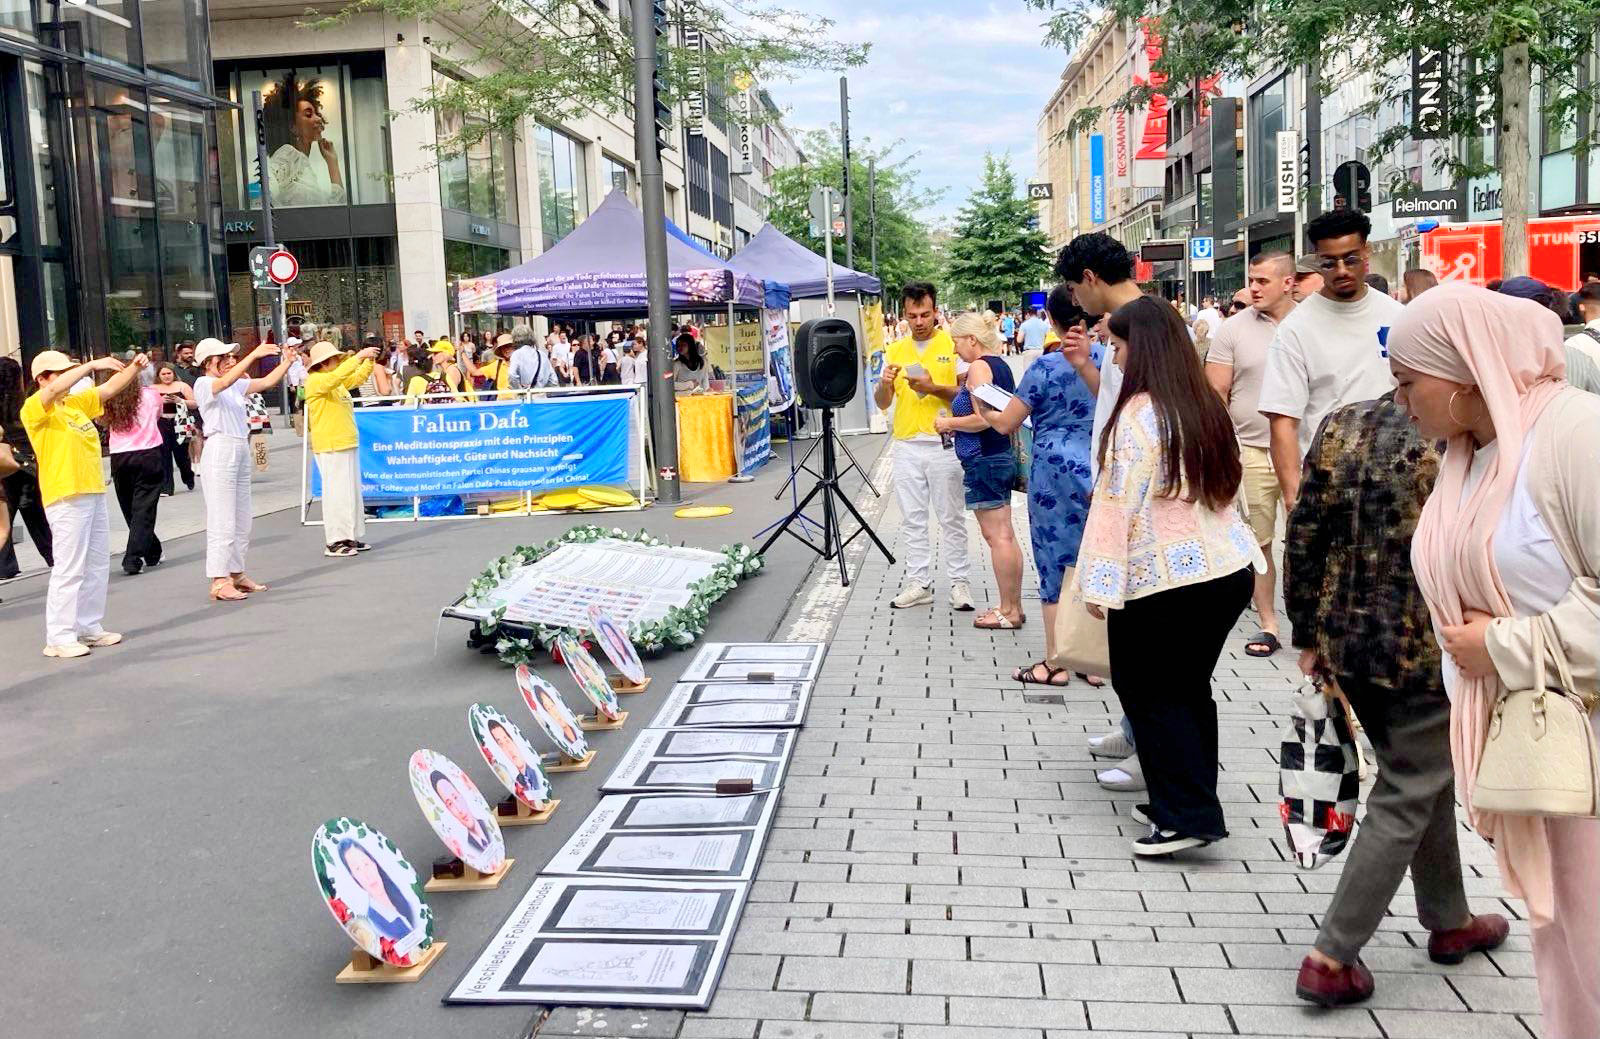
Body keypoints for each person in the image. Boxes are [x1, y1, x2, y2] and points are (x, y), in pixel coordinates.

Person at [1388, 283, 1600, 1038]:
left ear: (1467, 371)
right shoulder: (1469, 454)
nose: (1399, 400)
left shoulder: (1575, 436)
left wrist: (1503, 646)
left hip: (1583, 739)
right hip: (1537, 742)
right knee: (1564, 936)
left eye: (1409, 380)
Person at [1286, 388, 1509, 1007]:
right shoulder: (1471, 433)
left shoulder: (1345, 421)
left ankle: (1450, 918)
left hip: (1349, 639)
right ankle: (1331, 957)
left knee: (1420, 772)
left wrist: (1307, 630)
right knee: (1410, 784)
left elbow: (1305, 530)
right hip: (1429, 647)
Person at [1077, 296, 1257, 856]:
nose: (1113, 356)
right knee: (1186, 690)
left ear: (1143, 349)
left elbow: (1115, 505)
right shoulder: (1203, 403)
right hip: (1225, 569)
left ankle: (1186, 816)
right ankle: (1182, 801)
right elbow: (1231, 485)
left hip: (1165, 579)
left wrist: (1098, 584)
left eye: (1116, 346)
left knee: (1153, 692)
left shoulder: (1137, 416)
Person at [1049, 232, 1145, 783]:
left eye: (1072, 287)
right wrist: (1087, 362)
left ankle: (1149, 750)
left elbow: (1152, 419)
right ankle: (1134, 731)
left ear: (1089, 278)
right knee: (1124, 630)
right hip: (1117, 489)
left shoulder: (1146, 325)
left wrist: (1120, 493)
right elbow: (1113, 400)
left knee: (1140, 636)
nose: (1073, 300)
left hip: (1139, 504)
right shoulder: (1119, 327)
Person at [988, 283, 1104, 688]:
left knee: (1055, 563)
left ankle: (1056, 661)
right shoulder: (1111, 360)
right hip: (1101, 467)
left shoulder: (1044, 368)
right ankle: (1094, 660)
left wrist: (984, 407)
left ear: (1050, 320)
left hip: (1054, 473)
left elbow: (1007, 423)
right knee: (1097, 560)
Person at [1259, 209, 1404, 507]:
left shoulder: (1398, 317)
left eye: (1350, 259)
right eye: (1329, 262)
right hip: (1328, 489)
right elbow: (1283, 422)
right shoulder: (1296, 330)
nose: (1341, 271)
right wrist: (1293, 497)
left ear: (1366, 251)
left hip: (1396, 481)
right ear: (1317, 260)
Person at [22, 350, 146, 657]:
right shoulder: (36, 407)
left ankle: (88, 626)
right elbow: (54, 389)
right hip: (66, 495)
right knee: (70, 567)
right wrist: (90, 365)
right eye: (61, 372)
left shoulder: (74, 405)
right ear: (42, 378)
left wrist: (134, 368)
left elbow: (109, 389)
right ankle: (59, 636)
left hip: (92, 490)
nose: (68, 377)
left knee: (96, 563)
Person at [1206, 252, 1297, 658]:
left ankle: (1309, 625)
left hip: (1306, 452)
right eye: (1252, 280)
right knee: (1259, 542)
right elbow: (1216, 393)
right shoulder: (1233, 329)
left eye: (1263, 281)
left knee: (1306, 541)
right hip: (1252, 450)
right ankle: (1268, 623)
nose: (1254, 288)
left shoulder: (1310, 323)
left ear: (1288, 283)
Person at [874, 281, 973, 612]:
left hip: (944, 443)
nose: (919, 322)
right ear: (904, 314)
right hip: (906, 443)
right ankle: (919, 583)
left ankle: (959, 582)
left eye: (925, 314)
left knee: (951, 517)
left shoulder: (952, 345)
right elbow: (882, 402)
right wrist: (884, 385)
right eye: (912, 315)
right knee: (913, 519)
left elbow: (968, 394)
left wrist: (932, 388)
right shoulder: (895, 350)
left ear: (935, 312)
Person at [932, 312, 1023, 630]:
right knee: (1005, 535)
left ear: (972, 339)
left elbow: (984, 418)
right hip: (996, 455)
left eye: (956, 341)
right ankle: (1012, 606)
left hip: (984, 457)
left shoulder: (979, 368)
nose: (954, 349)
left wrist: (949, 423)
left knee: (998, 536)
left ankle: (1008, 610)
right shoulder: (1000, 365)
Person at [194, 338, 294, 602]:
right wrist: (254, 355)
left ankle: (236, 573)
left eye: (232, 357)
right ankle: (219, 579)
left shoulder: (235, 384)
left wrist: (287, 362)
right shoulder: (203, 383)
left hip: (239, 446)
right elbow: (224, 382)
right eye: (224, 357)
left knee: (242, 516)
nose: (230, 361)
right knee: (222, 517)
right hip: (219, 448)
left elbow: (266, 382)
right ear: (208, 362)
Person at [304, 340, 376, 557]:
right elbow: (337, 377)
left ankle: (349, 535)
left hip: (346, 441)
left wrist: (369, 361)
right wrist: (359, 357)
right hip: (331, 443)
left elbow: (356, 378)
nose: (338, 361)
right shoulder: (316, 380)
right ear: (325, 362)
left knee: (350, 493)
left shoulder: (335, 383)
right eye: (335, 358)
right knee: (336, 494)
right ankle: (334, 540)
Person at [101, 376, 169, 575]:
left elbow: (101, 420)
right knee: (143, 509)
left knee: (131, 509)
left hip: (120, 455)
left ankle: (150, 552)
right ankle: (136, 556)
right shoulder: (151, 394)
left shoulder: (108, 396)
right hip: (148, 452)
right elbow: (158, 415)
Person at [0, 355, 52, 578]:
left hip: (3, 465)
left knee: (4, 519)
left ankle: (5, 565)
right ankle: (53, 555)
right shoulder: (25, 403)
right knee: (36, 515)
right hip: (27, 464)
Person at [264, 72, 344, 206]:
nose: (318, 119)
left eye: (316, 113)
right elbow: (269, 196)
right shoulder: (288, 155)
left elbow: (334, 209)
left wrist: (332, 163)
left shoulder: (301, 163)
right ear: (293, 127)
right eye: (308, 114)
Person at [337, 839, 417, 944]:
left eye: (366, 864)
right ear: (353, 876)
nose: (367, 874)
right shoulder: (372, 923)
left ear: (374, 863)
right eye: (357, 869)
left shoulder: (405, 894)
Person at [151, 363, 196, 493]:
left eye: (169, 373)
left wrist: (180, 401)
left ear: (174, 374)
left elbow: (194, 404)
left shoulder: (182, 386)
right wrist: (160, 401)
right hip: (161, 422)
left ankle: (188, 476)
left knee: (181, 454)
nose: (166, 376)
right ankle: (166, 488)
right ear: (158, 376)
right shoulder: (153, 388)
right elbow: (147, 406)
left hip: (179, 422)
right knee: (163, 455)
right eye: (163, 374)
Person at [429, 771, 492, 855]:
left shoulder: (490, 826)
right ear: (448, 810)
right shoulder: (469, 849)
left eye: (455, 797)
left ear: (461, 795)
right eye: (450, 804)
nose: (459, 809)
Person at [509, 324, 556, 390]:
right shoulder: (542, 355)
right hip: (541, 394)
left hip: (525, 395)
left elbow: (512, 375)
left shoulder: (516, 355)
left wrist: (519, 390)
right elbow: (553, 380)